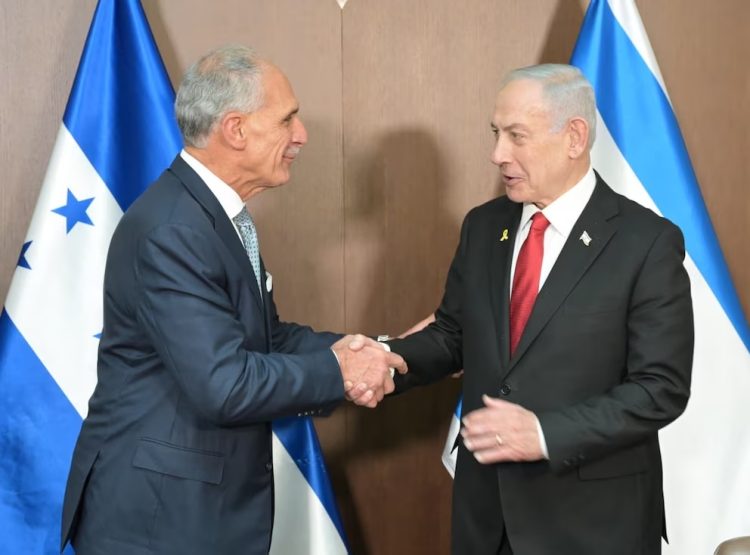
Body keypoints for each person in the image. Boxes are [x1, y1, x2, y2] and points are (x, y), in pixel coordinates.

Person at [60, 45, 405, 555]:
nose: (301, 135)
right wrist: (341, 372)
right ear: (236, 129)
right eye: (287, 119)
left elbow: (267, 339)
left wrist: (377, 349)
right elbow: (224, 384)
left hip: (194, 510)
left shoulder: (213, 215)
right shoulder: (174, 230)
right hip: (158, 522)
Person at [384, 64, 693, 554]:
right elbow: (454, 335)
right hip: (487, 518)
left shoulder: (647, 242)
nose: (497, 154)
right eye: (495, 133)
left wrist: (545, 433)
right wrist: (386, 359)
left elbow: (661, 388)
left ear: (574, 137)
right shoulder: (484, 226)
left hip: (593, 524)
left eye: (516, 136)